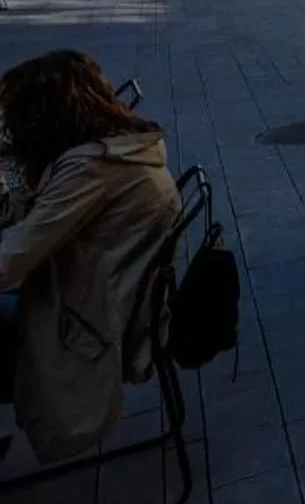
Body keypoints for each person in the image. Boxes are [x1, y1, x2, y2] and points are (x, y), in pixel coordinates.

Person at [0, 50, 181, 463]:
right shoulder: (118, 148)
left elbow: (9, 263)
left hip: (86, 325)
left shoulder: (91, 170)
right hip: (98, 301)